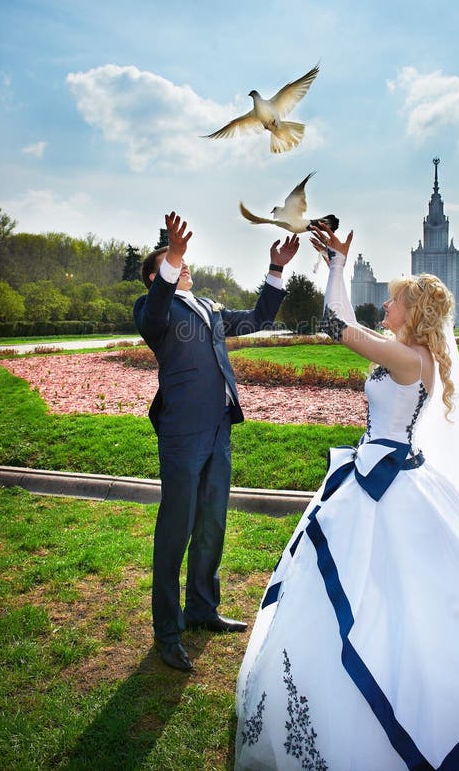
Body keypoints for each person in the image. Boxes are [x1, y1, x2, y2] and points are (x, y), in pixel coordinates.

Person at [234, 223, 459, 770]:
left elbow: (338, 327)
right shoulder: (407, 352)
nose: (388, 306)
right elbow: (351, 324)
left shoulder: (408, 358)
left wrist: (335, 265)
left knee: (388, 598)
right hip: (378, 473)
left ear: (412, 311)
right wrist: (341, 262)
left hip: (388, 482)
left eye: (395, 301)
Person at [134, 211, 299, 672]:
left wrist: (276, 269)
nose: (182, 264)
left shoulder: (208, 307)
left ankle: (202, 608)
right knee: (175, 530)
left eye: (183, 260)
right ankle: (168, 632)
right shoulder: (152, 311)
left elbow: (258, 318)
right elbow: (156, 313)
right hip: (182, 435)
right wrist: (172, 259)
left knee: (211, 523)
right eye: (170, 262)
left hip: (219, 430)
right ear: (156, 275)